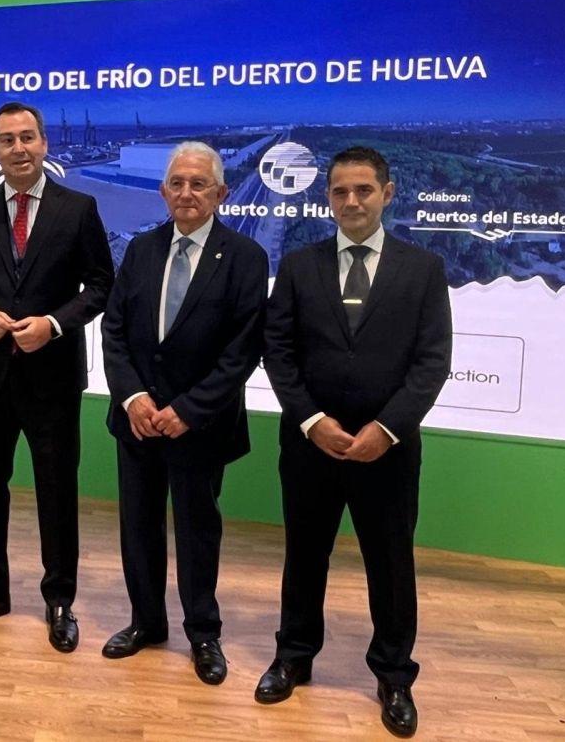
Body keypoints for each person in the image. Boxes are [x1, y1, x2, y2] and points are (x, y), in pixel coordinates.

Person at [258, 146, 452, 737]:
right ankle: (294, 656)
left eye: (363, 190)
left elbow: (432, 362)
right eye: (340, 191)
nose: (351, 201)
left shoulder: (423, 269)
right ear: (327, 197)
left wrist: (386, 429)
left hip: (387, 451)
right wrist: (312, 421)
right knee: (304, 555)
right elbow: (278, 352)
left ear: (387, 194)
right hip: (310, 446)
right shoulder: (299, 266)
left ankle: (394, 675)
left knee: (390, 564)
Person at [0, 100, 113, 653]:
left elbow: (100, 285)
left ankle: (59, 599)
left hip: (52, 377)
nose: (18, 148)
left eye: (27, 137)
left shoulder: (79, 208)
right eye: (7, 140)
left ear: (44, 143)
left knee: (57, 492)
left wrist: (54, 325)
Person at [100, 142, 268, 686]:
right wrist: (133, 398)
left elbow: (242, 350)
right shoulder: (142, 249)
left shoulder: (244, 257)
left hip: (200, 426)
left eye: (199, 184)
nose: (187, 193)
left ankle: (203, 634)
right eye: (177, 183)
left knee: (198, 533)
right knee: (138, 527)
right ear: (163, 191)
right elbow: (114, 330)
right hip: (139, 421)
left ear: (220, 193)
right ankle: (146, 622)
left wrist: (188, 410)